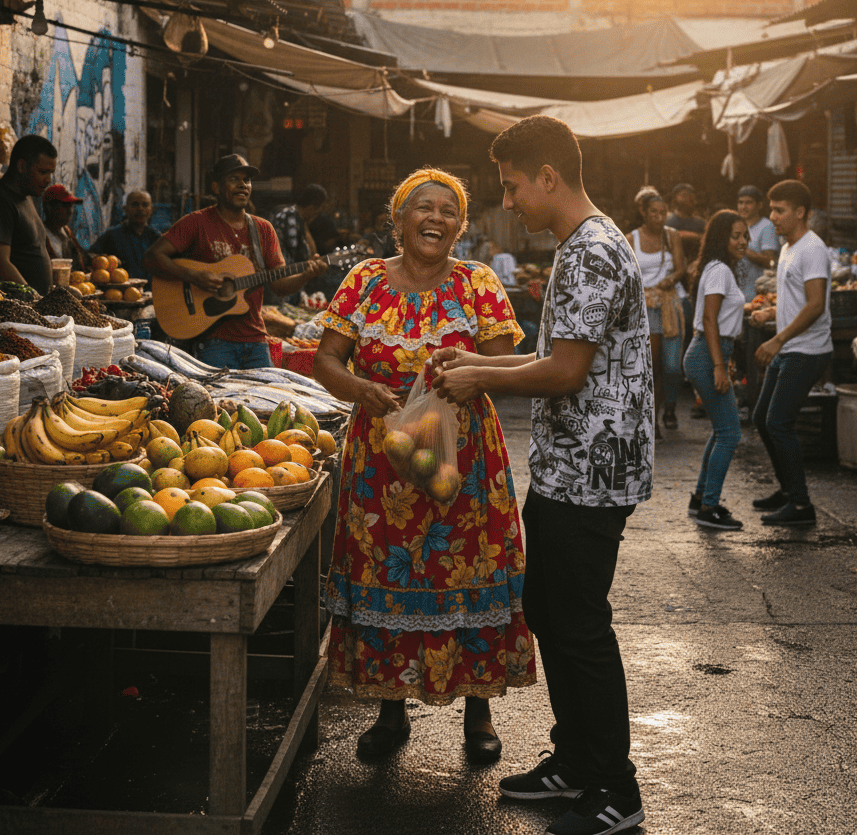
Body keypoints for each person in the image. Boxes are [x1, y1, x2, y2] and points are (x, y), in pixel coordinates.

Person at [432, 115, 651, 835]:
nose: (510, 200)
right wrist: (476, 367)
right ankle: (576, 762)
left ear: (548, 177)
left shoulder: (590, 251)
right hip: (570, 467)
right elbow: (559, 358)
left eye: (513, 185)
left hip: (590, 473)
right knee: (551, 614)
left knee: (580, 625)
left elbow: (563, 370)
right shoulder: (580, 245)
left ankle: (616, 788)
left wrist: (479, 380)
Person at [312, 167, 535, 764]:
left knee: (465, 573)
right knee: (390, 575)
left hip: (462, 455)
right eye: (423, 207)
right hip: (381, 458)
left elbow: (506, 365)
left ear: (460, 227)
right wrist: (360, 389)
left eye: (448, 211)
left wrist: (469, 370)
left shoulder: (477, 283)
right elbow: (325, 358)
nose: (435, 218)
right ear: (399, 218)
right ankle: (390, 709)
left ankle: (479, 709)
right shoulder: (362, 281)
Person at [144, 154, 326, 369]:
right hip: (212, 341)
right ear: (216, 187)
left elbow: (279, 286)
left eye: (247, 180)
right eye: (234, 179)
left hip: (256, 339)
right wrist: (194, 276)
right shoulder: (196, 223)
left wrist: (306, 274)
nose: (243, 185)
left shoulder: (263, 229)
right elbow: (152, 257)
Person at [750, 180, 832, 527]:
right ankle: (787, 490)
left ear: (800, 213)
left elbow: (815, 306)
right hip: (790, 347)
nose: (772, 217)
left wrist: (777, 339)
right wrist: (771, 313)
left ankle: (801, 506)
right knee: (761, 420)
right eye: (771, 209)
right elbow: (795, 298)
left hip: (807, 349)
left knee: (778, 423)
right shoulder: (788, 248)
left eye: (779, 210)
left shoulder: (813, 249)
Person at [683, 210, 749, 531]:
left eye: (745, 236)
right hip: (708, 354)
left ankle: (700, 500)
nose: (743, 242)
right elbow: (710, 320)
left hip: (708, 352)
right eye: (735, 236)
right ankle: (709, 507)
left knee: (721, 430)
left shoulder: (715, 268)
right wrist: (719, 365)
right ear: (721, 238)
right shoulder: (720, 270)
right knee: (730, 433)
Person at [0, 134, 56, 295]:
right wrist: (34, 299)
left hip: (30, 311)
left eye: (51, 173)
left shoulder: (27, 198)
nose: (49, 179)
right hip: (8, 313)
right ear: (22, 166)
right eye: (43, 172)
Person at [630, 190, 685, 436]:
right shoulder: (632, 238)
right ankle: (651, 417)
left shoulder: (672, 236)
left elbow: (682, 269)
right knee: (651, 364)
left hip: (671, 304)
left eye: (664, 213)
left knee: (672, 365)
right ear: (643, 212)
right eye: (655, 212)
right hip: (645, 306)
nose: (660, 217)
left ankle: (670, 406)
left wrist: (671, 278)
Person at [90, 190, 163, 284]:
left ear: (151, 209)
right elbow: (91, 257)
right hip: (121, 295)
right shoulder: (112, 235)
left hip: (153, 294)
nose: (140, 209)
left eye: (145, 205)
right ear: (125, 209)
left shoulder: (157, 238)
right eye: (135, 204)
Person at [735, 184, 780, 304]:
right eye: (740, 202)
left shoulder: (767, 227)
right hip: (736, 296)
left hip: (756, 298)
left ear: (759, 205)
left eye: (748, 203)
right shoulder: (736, 226)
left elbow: (770, 261)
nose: (743, 207)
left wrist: (742, 249)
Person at [42, 184, 90, 273]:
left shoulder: (67, 232)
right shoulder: (40, 234)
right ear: (49, 207)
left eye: (71, 206)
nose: (70, 211)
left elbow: (84, 259)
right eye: (65, 205)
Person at [664, 182, 705, 258]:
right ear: (675, 199)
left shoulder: (700, 222)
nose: (689, 199)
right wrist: (696, 236)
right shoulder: (667, 219)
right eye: (684, 195)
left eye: (691, 196)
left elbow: (707, 239)